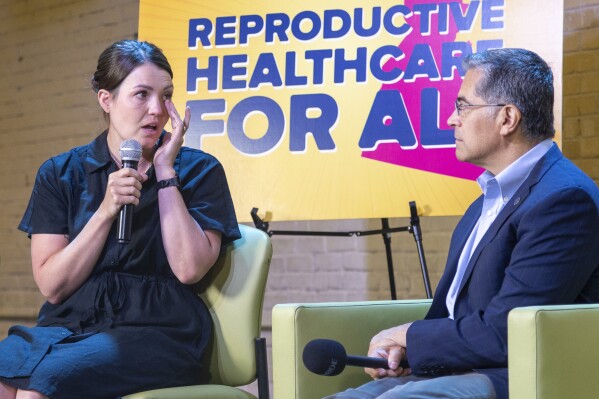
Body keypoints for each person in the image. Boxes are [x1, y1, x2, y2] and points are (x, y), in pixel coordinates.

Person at [326, 48, 599, 399]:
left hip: (513, 375)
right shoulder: (483, 203)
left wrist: (409, 335)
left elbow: (507, 331)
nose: (451, 120)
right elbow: (454, 312)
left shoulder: (563, 200)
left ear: (507, 118)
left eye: (462, 106)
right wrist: (408, 351)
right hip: (461, 367)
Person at [0, 40, 241, 399]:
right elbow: (52, 285)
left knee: (43, 383)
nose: (157, 110)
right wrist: (105, 211)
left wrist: (165, 172)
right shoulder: (60, 173)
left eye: (166, 95)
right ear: (106, 100)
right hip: (69, 324)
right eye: (141, 94)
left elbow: (189, 268)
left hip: (161, 330)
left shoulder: (200, 170)